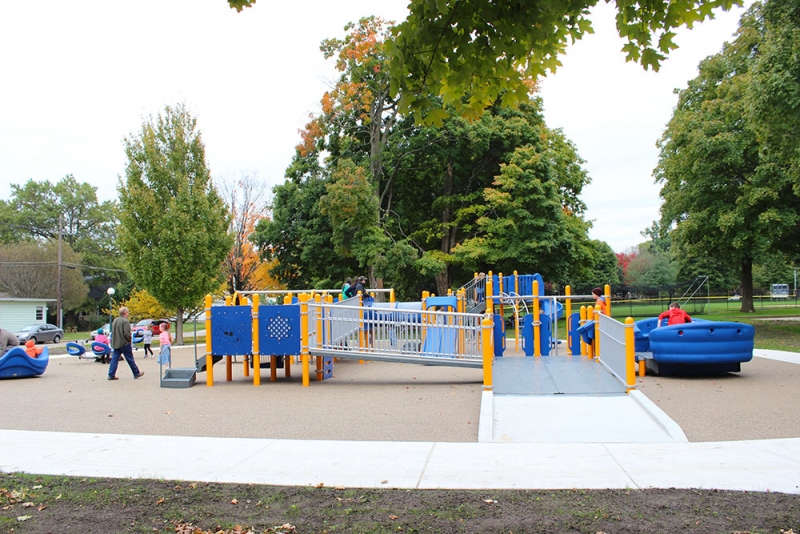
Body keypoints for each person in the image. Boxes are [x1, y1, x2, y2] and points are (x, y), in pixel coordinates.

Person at [108, 306, 144, 380]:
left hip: (116, 343)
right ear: (125, 313)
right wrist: (129, 340)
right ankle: (136, 373)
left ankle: (111, 374)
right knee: (130, 358)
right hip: (124, 343)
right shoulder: (125, 321)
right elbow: (127, 333)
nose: (128, 313)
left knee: (114, 358)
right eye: (127, 312)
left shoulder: (115, 320)